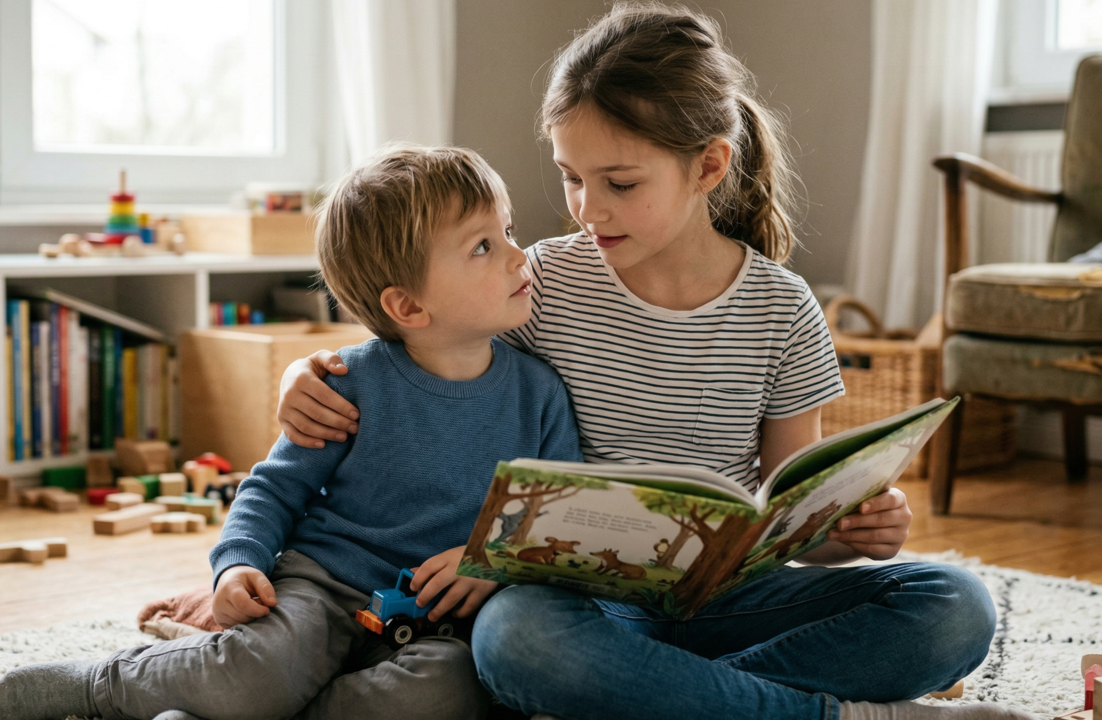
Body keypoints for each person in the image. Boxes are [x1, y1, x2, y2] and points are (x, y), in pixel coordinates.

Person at [274, 6, 1029, 720]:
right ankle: (813, 711)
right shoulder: (543, 282)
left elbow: (793, 519)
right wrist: (302, 376)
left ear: (708, 167)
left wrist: (856, 530)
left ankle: (659, 699)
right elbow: (429, 359)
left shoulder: (781, 309)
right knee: (515, 637)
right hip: (581, 602)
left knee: (956, 607)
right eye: (572, 176)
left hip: (733, 599)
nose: (586, 208)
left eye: (620, 184)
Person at [0, 146, 582, 720]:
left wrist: (489, 559)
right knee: (258, 672)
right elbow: (272, 489)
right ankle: (103, 685)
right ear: (408, 306)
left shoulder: (539, 393)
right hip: (322, 588)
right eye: (483, 245)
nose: (517, 255)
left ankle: (231, 714)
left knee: (448, 694)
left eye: (508, 230)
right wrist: (236, 564)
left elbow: (557, 519)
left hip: (435, 620)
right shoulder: (348, 383)